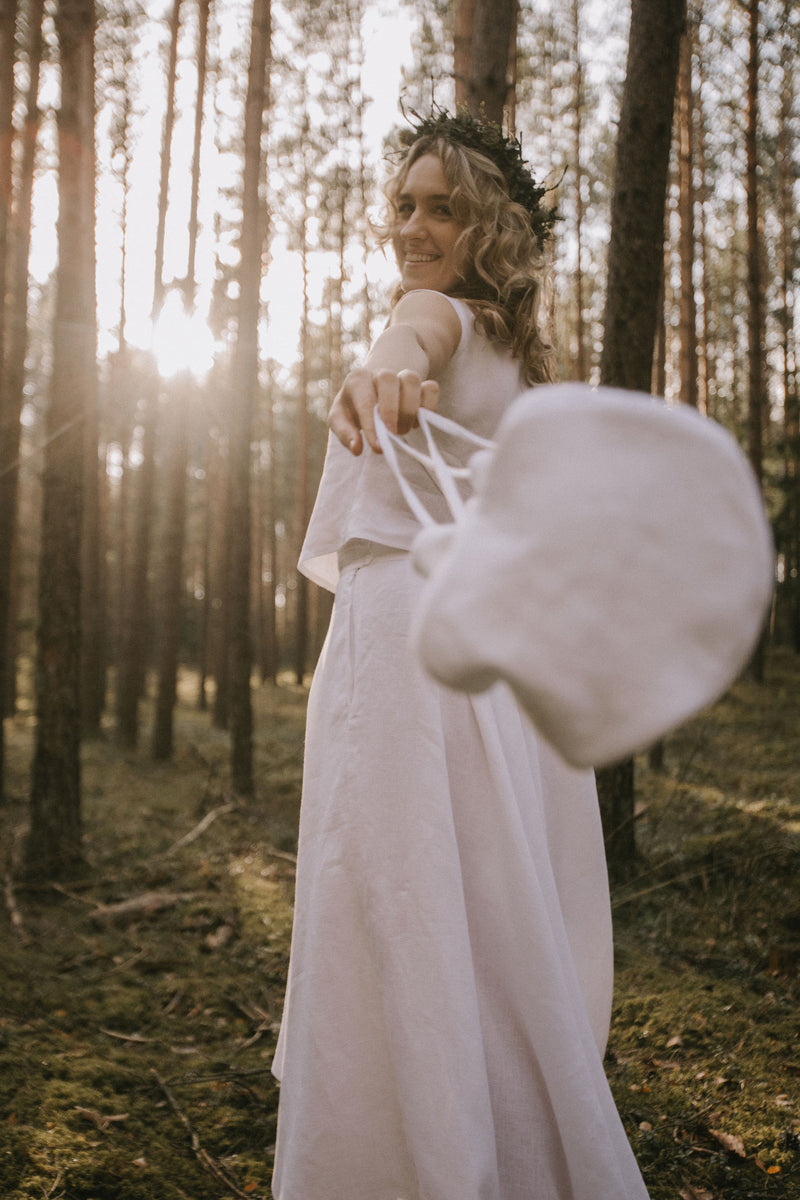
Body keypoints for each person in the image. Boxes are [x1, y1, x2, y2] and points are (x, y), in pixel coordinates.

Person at [271, 111, 651, 1200]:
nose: (413, 226)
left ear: (491, 227)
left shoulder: (435, 315)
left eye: (443, 206)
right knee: (472, 912)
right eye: (403, 204)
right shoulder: (517, 374)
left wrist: (383, 362)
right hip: (477, 668)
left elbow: (408, 337)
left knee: (396, 896)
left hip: (414, 655)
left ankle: (413, 1159)